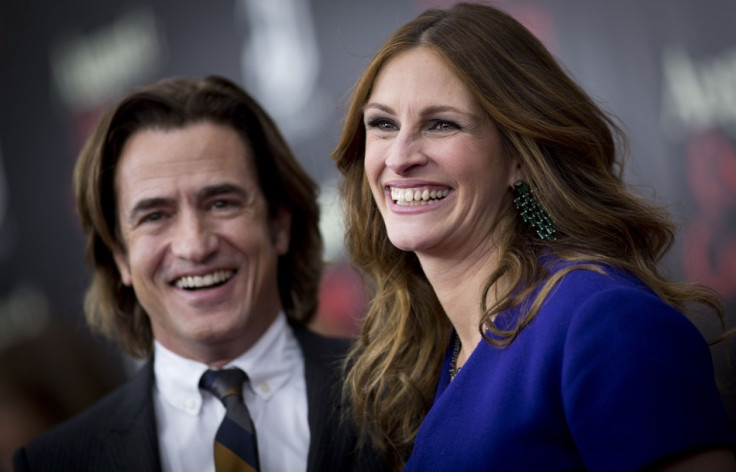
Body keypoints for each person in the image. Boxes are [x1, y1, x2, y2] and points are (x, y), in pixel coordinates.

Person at [332, 3, 736, 471]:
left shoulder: (603, 319)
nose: (399, 157)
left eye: (441, 124)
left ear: (519, 157)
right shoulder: (432, 352)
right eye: (383, 124)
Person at [13, 75, 384, 472]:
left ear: (279, 223)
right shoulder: (53, 464)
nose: (194, 245)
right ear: (119, 255)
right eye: (155, 216)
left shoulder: (398, 394)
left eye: (221, 203)